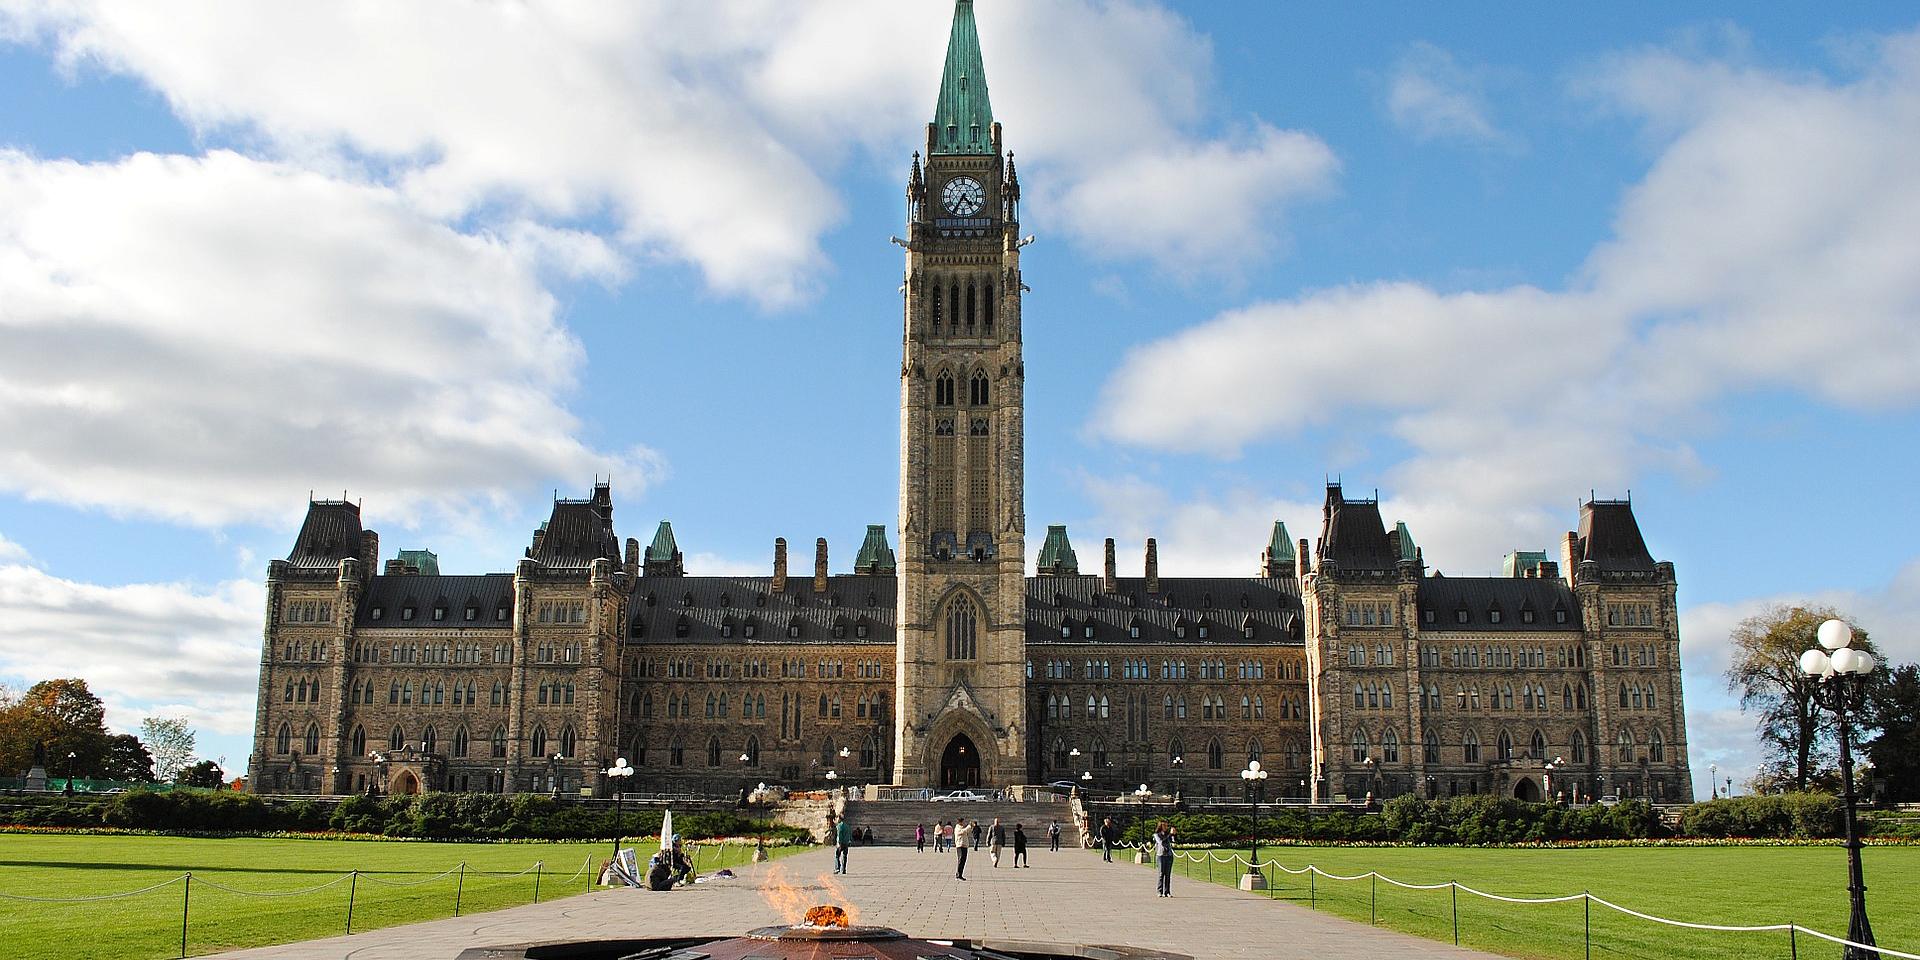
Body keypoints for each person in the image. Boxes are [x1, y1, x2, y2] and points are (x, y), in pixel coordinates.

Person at [1152, 821, 1176, 897]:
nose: (1166, 827)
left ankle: (1167, 892)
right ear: (1161, 827)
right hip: (1161, 855)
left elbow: (1173, 841)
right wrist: (1170, 834)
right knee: (1161, 874)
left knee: (1168, 874)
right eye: (1164, 826)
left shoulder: (1167, 835)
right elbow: (1161, 842)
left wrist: (1174, 835)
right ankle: (1160, 891)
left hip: (1169, 855)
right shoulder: (1156, 835)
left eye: (1166, 826)